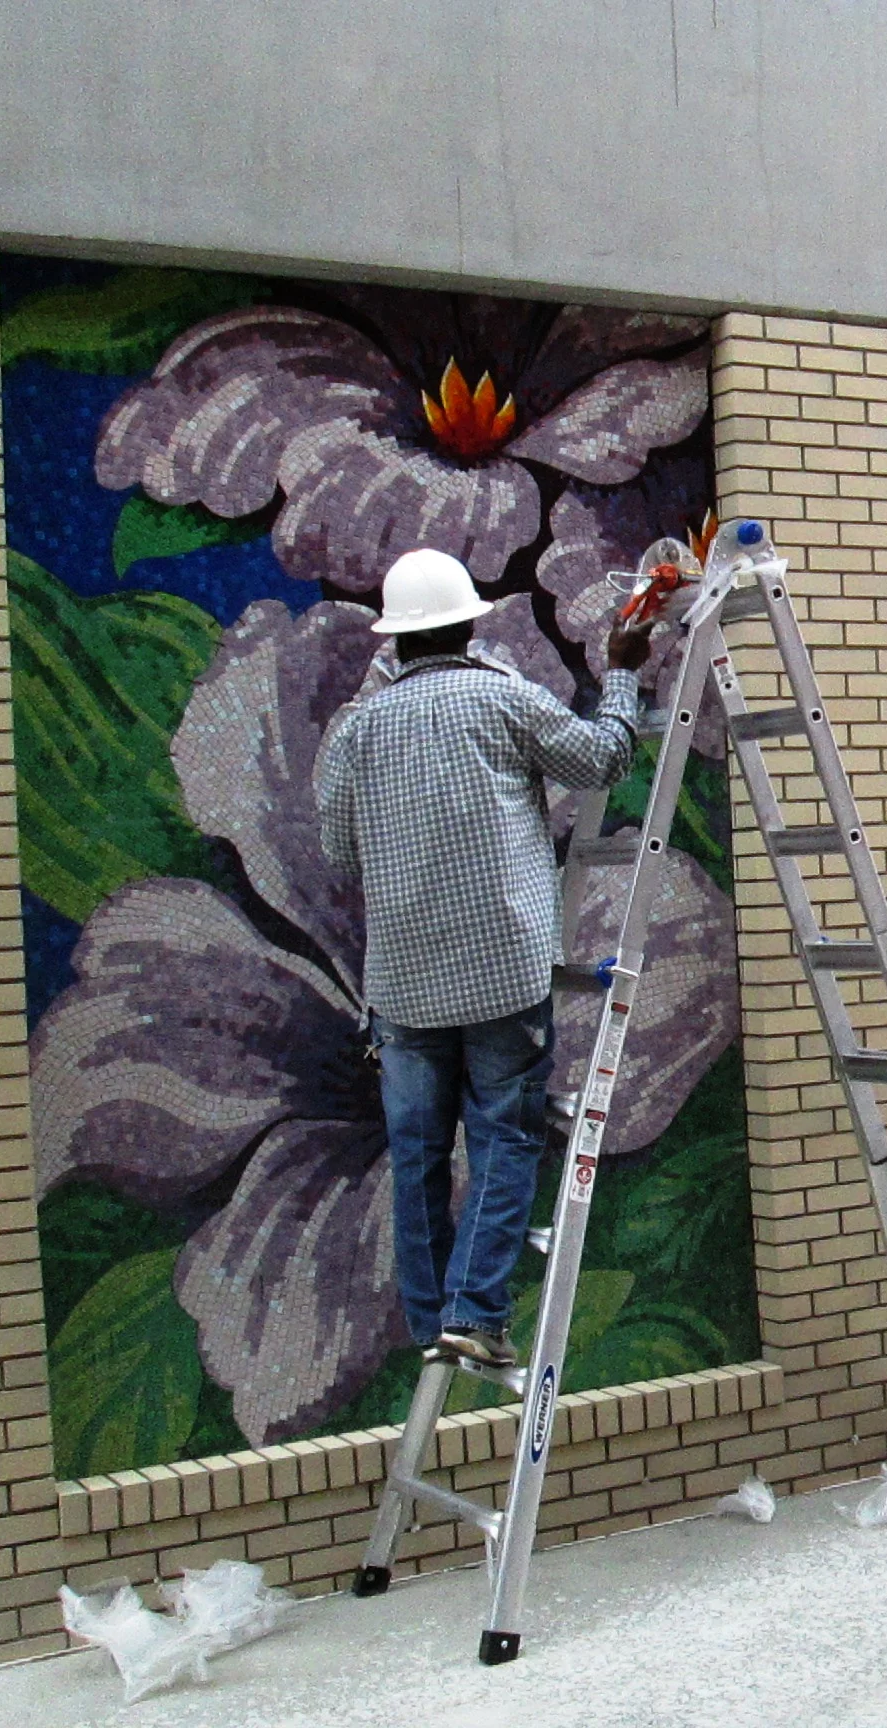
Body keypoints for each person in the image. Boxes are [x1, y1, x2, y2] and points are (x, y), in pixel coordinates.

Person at [316, 548, 651, 1369]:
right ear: (469, 625)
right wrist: (622, 674)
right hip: (503, 971)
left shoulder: (356, 730)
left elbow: (338, 854)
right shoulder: (504, 700)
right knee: (505, 1141)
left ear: (395, 641)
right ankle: (475, 1312)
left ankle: (435, 1325)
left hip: (404, 987)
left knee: (419, 1155)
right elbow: (603, 759)